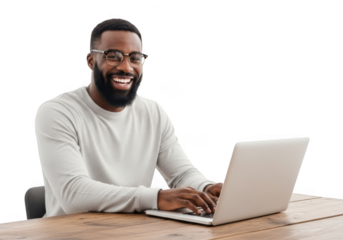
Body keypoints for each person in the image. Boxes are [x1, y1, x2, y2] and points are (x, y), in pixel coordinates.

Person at [34, 18, 222, 218]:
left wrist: (205, 188)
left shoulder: (153, 112)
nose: (126, 67)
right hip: (71, 234)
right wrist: (157, 198)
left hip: (132, 232)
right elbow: (73, 194)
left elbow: (181, 174)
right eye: (113, 56)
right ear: (90, 61)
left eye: (135, 58)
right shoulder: (57, 112)